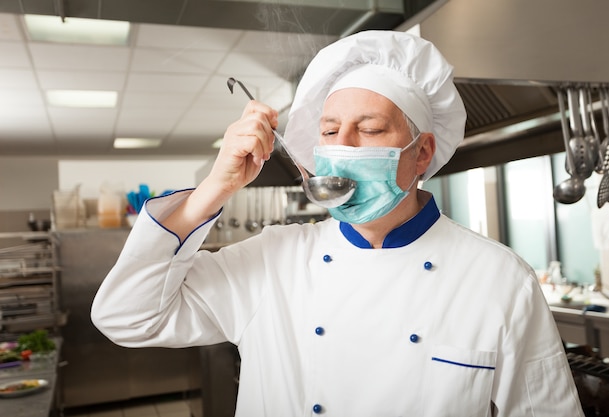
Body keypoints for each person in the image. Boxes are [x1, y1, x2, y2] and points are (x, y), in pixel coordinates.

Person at [91, 30, 583, 416]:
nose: (343, 147)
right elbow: (126, 316)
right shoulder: (273, 258)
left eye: (368, 130)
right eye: (329, 132)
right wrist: (211, 192)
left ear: (421, 154)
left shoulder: (498, 278)